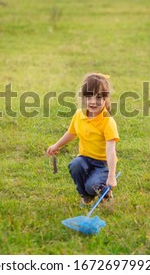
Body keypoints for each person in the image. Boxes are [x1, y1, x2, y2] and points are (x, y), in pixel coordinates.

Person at [46, 73, 120, 206]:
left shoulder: (107, 121)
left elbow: (111, 151)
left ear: (105, 99)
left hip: (103, 163)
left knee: (92, 185)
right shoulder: (79, 115)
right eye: (88, 96)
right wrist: (56, 145)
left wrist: (111, 176)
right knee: (75, 165)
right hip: (85, 158)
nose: (92, 101)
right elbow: (71, 133)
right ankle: (86, 196)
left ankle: (105, 193)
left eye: (98, 97)